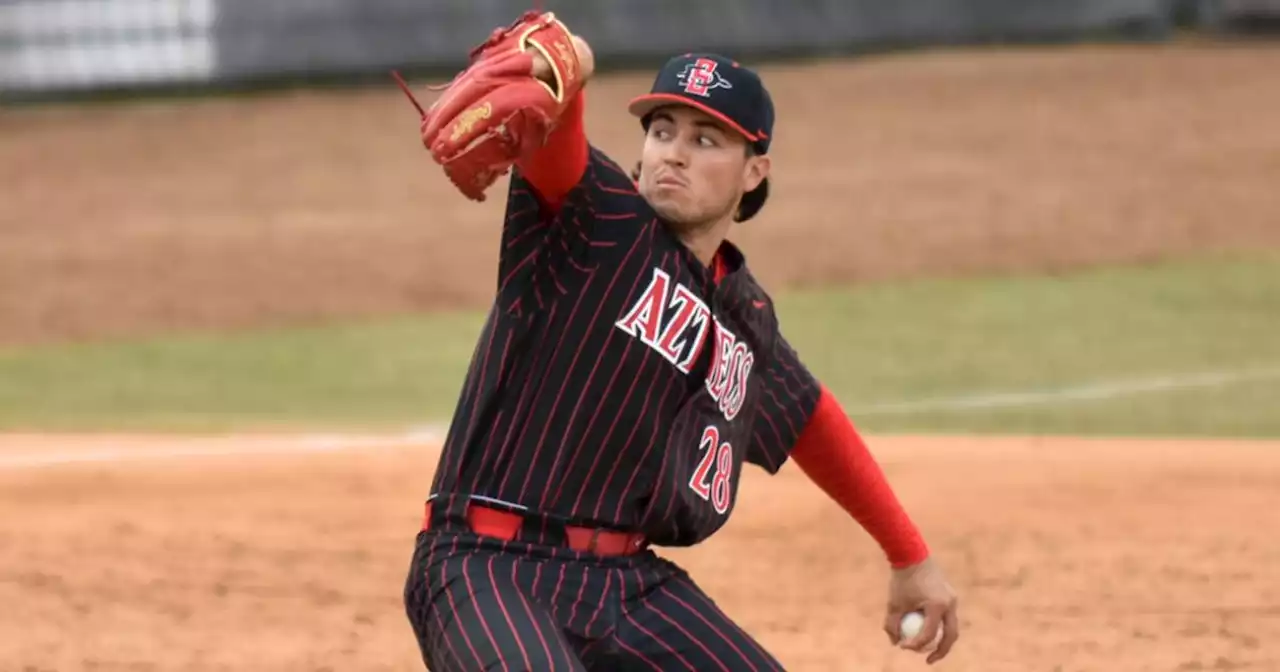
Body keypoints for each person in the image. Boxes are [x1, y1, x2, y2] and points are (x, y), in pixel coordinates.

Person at [394, 10, 960, 671]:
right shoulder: (596, 214)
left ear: (755, 172)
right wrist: (573, 60)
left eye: (706, 139)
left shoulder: (742, 314)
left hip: (625, 585)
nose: (675, 151)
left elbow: (810, 418)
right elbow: (559, 128)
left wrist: (910, 556)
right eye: (663, 131)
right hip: (487, 567)